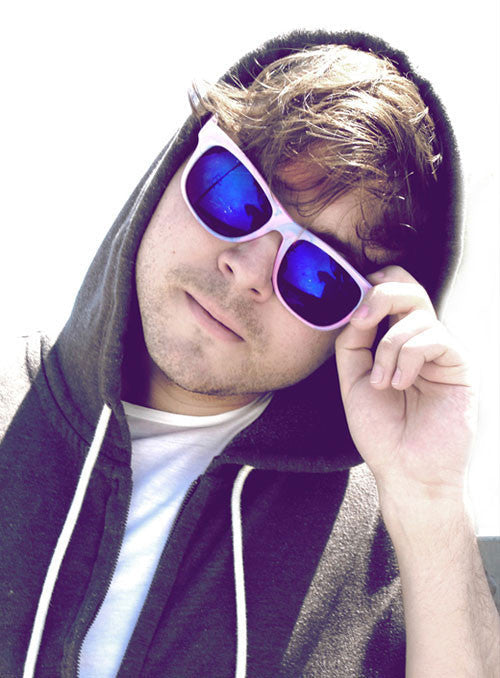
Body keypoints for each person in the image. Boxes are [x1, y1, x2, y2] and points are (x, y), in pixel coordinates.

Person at [1, 29, 499, 678]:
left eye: (319, 274)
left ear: (366, 318)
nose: (249, 273)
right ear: (177, 164)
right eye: (233, 195)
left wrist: (430, 499)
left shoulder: (404, 552)